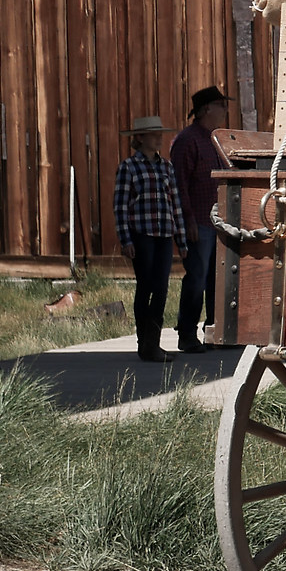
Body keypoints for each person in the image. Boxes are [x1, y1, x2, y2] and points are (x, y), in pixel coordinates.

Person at [112, 114, 187, 363]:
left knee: (162, 289)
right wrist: (126, 240)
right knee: (145, 287)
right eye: (153, 135)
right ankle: (143, 342)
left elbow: (175, 204)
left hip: (164, 234)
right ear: (141, 138)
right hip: (142, 234)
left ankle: (152, 342)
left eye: (160, 134)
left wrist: (181, 240)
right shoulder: (128, 167)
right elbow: (121, 206)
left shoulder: (166, 167)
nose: (158, 139)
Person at [170, 86, 230, 354]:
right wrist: (188, 221)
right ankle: (186, 334)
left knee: (219, 280)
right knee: (196, 278)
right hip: (199, 223)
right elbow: (179, 184)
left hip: (219, 222)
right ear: (206, 109)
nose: (225, 110)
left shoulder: (216, 139)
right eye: (221, 105)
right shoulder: (187, 140)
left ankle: (215, 332)